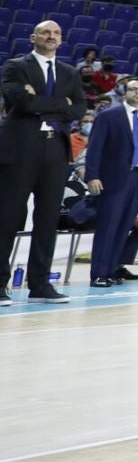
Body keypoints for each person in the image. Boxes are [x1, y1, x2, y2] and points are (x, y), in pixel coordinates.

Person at [0, 20, 87, 304]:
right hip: (20, 150)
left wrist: (43, 102)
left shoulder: (70, 72)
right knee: (8, 218)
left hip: (56, 152)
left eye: (56, 33)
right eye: (46, 32)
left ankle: (40, 285)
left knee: (48, 220)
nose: (51, 36)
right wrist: (60, 104)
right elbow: (22, 103)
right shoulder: (15, 66)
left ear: (61, 40)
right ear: (33, 37)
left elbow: (80, 109)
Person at [84, 76, 138, 287]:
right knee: (108, 225)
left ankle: (113, 269)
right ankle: (98, 273)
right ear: (125, 92)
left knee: (125, 225)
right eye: (133, 89)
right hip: (113, 177)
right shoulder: (109, 115)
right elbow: (95, 147)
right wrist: (92, 175)